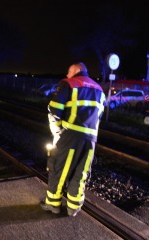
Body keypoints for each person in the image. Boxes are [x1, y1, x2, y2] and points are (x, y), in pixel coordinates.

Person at [40, 62, 106, 217]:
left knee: (59, 169)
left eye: (69, 71)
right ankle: (73, 207)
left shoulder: (68, 84)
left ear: (76, 70)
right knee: (81, 172)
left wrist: (57, 132)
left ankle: (52, 204)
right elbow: (100, 115)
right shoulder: (99, 89)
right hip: (91, 139)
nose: (67, 75)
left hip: (70, 135)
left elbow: (54, 110)